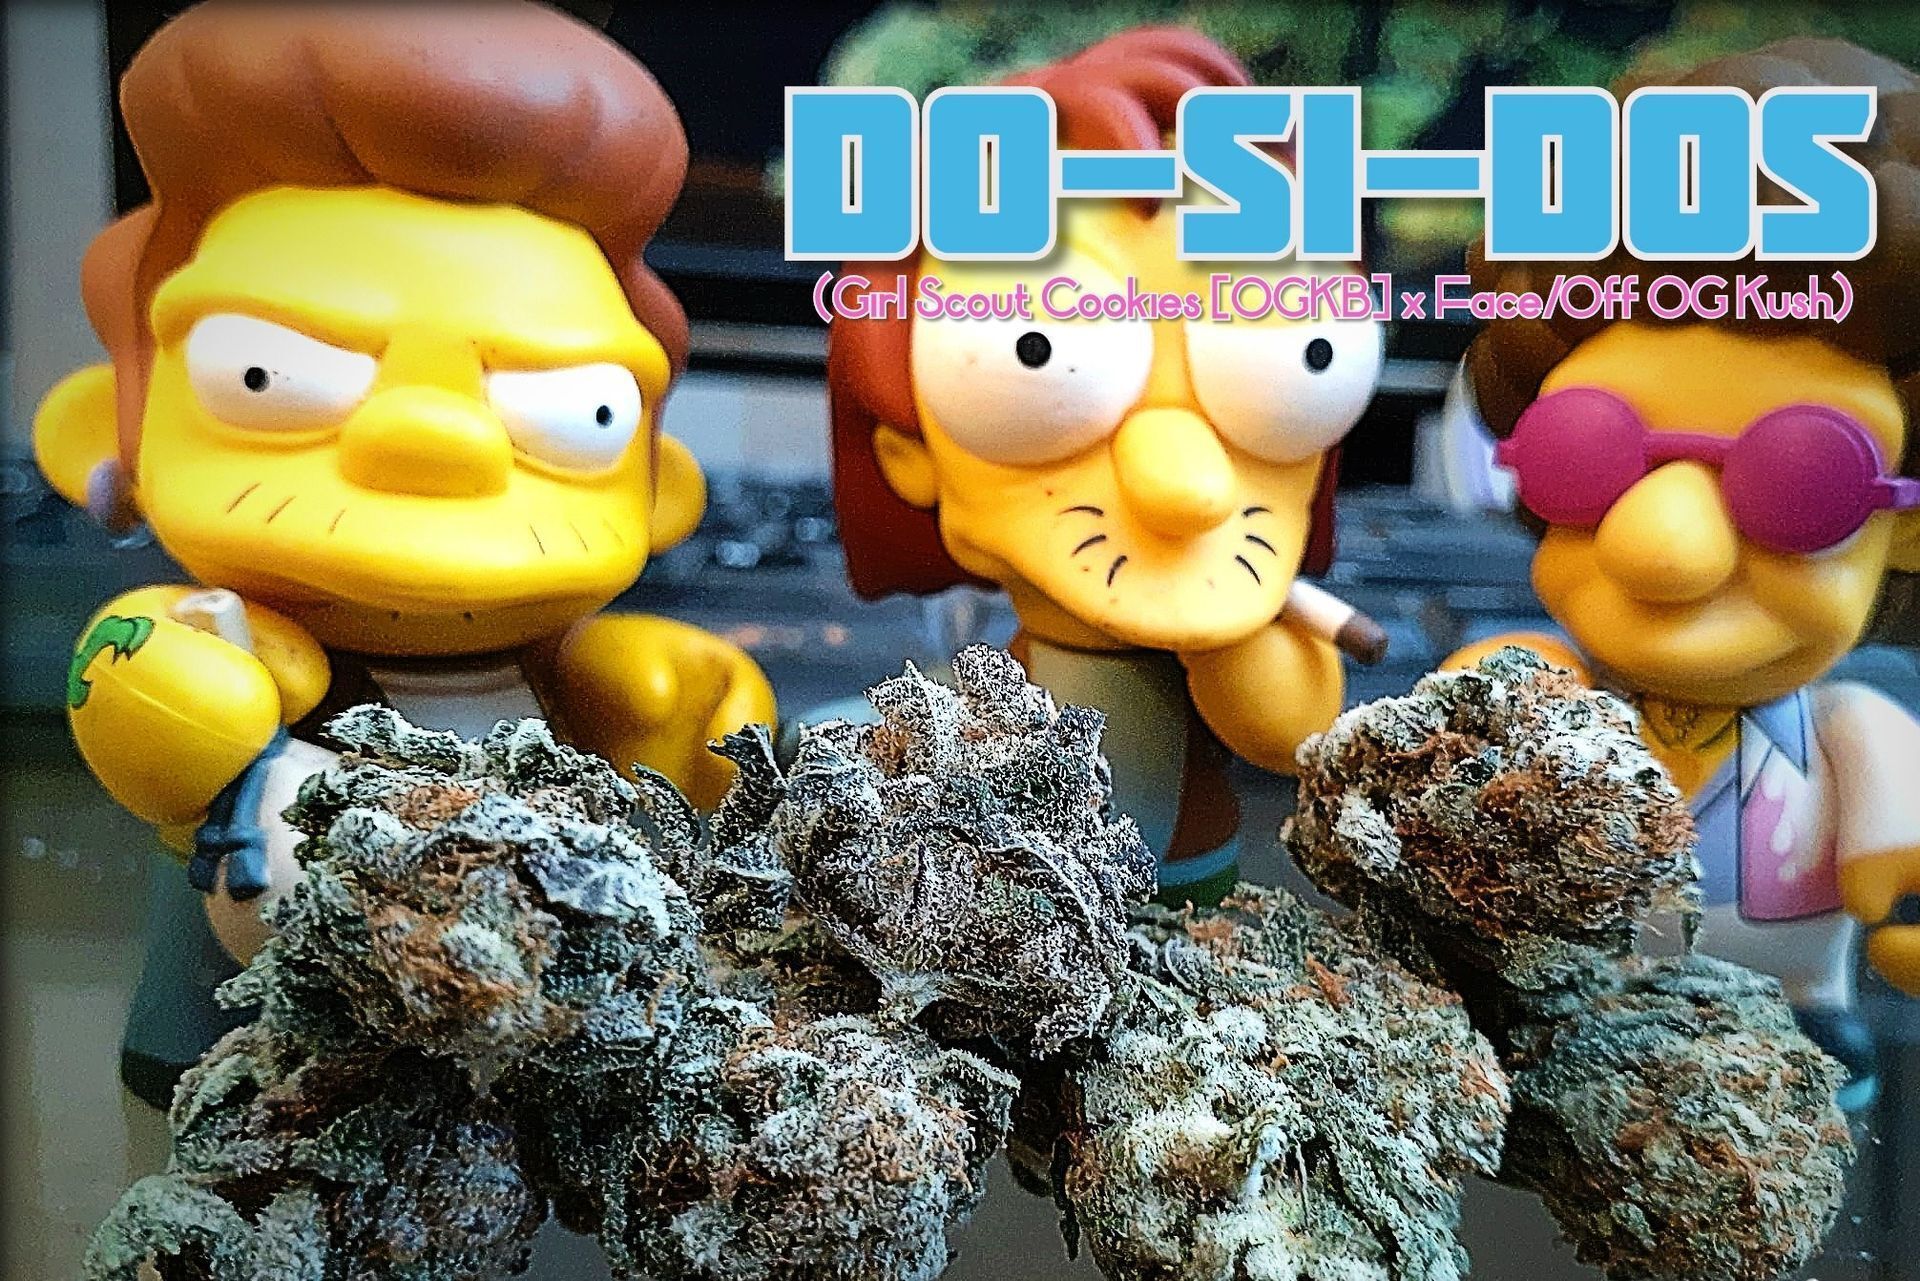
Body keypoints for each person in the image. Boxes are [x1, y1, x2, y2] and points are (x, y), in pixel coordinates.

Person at [33, 0, 773, 1105]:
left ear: (660, 489)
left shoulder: (570, 668)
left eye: (578, 414)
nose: (433, 436)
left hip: (518, 1020)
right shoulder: (218, 639)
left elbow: (677, 819)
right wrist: (174, 708)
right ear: (107, 431)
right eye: (267, 376)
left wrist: (681, 744)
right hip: (248, 1023)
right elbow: (142, 713)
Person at [1456, 39, 1920, 1108]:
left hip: (1786, 1019)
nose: (1660, 546)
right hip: (1572, 1012)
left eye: (1800, 477)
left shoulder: (1847, 730)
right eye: (1585, 456)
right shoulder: (1540, 683)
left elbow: (1894, 847)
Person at [826, 29, 1382, 905]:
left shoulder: (1249, 617)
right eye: (1035, 355)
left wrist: (1237, 638)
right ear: (910, 447)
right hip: (1030, 909)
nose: (1187, 486)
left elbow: (1290, 732)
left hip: (1200, 897)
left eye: (1299, 360)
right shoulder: (998, 698)